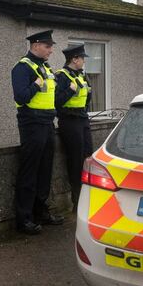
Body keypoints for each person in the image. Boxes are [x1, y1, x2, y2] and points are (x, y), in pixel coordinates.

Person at [11, 30, 65, 235]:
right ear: (36, 46)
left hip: (47, 123)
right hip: (31, 123)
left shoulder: (45, 67)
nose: (51, 50)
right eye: (48, 46)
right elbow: (21, 97)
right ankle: (24, 219)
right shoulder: (22, 68)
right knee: (29, 172)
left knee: (45, 171)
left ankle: (40, 212)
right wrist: (36, 84)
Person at [55, 44, 93, 211]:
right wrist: (70, 91)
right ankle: (77, 202)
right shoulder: (62, 76)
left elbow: (86, 98)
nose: (84, 61)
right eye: (82, 58)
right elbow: (56, 102)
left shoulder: (81, 75)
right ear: (74, 59)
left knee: (88, 157)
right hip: (69, 121)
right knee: (76, 161)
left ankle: (86, 198)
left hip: (82, 119)